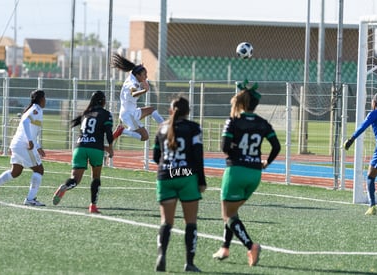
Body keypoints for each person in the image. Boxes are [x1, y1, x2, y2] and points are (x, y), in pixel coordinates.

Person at [212, 80, 281, 267]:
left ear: (242, 102)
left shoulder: (234, 121)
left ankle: (251, 246)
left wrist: (236, 152)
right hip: (255, 174)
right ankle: (225, 247)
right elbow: (276, 146)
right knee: (233, 212)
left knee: (228, 215)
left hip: (236, 171)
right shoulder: (262, 123)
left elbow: (225, 147)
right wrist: (266, 162)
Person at [153, 96, 207, 272]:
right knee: (190, 222)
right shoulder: (193, 128)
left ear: (170, 111)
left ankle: (161, 254)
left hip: (165, 174)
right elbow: (198, 156)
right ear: (188, 112)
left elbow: (156, 156)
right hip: (186, 174)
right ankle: (189, 263)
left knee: (166, 222)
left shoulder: (161, 128)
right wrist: (201, 180)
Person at [52, 91, 114, 214]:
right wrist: (110, 148)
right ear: (103, 101)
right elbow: (109, 134)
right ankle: (93, 205)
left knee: (75, 179)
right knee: (96, 177)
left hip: (79, 147)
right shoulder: (106, 114)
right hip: (95, 149)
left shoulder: (86, 114)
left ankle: (65, 186)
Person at [0, 89, 47, 206]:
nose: (45, 100)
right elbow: (25, 123)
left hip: (17, 144)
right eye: (45, 98)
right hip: (23, 145)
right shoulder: (36, 109)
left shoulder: (33, 109)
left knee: (15, 172)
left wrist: (37, 146)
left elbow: (31, 131)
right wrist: (30, 141)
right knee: (39, 170)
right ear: (41, 99)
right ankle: (30, 199)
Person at [343, 92, 377, 215]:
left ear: (375, 103)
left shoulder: (374, 114)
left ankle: (372, 206)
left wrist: (350, 140)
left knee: (370, 177)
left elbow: (362, 127)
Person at [111, 53, 164, 141]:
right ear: (138, 75)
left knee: (151, 110)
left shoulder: (135, 76)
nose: (146, 77)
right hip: (128, 115)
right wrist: (144, 91)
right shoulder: (132, 83)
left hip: (132, 112)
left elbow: (136, 71)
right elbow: (133, 93)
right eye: (144, 74)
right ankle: (122, 131)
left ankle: (165, 127)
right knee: (145, 137)